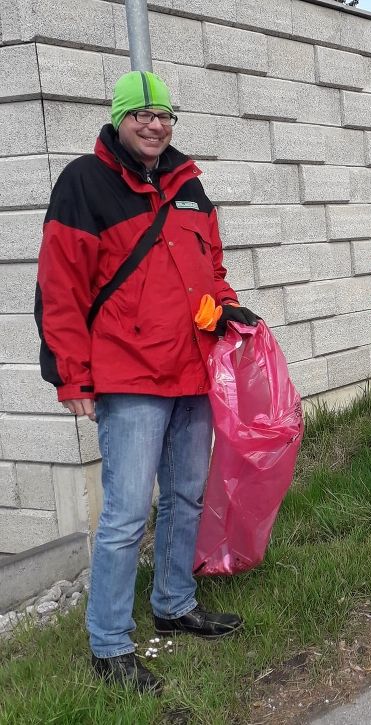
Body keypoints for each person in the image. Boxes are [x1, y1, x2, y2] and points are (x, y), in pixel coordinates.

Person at [34, 71, 260, 694]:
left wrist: (229, 307)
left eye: (163, 115)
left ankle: (173, 601)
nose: (155, 126)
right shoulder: (85, 182)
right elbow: (60, 287)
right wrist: (72, 378)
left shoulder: (191, 185)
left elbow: (211, 268)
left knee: (187, 496)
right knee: (127, 515)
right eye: (142, 115)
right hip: (129, 378)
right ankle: (108, 643)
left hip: (193, 373)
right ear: (119, 119)